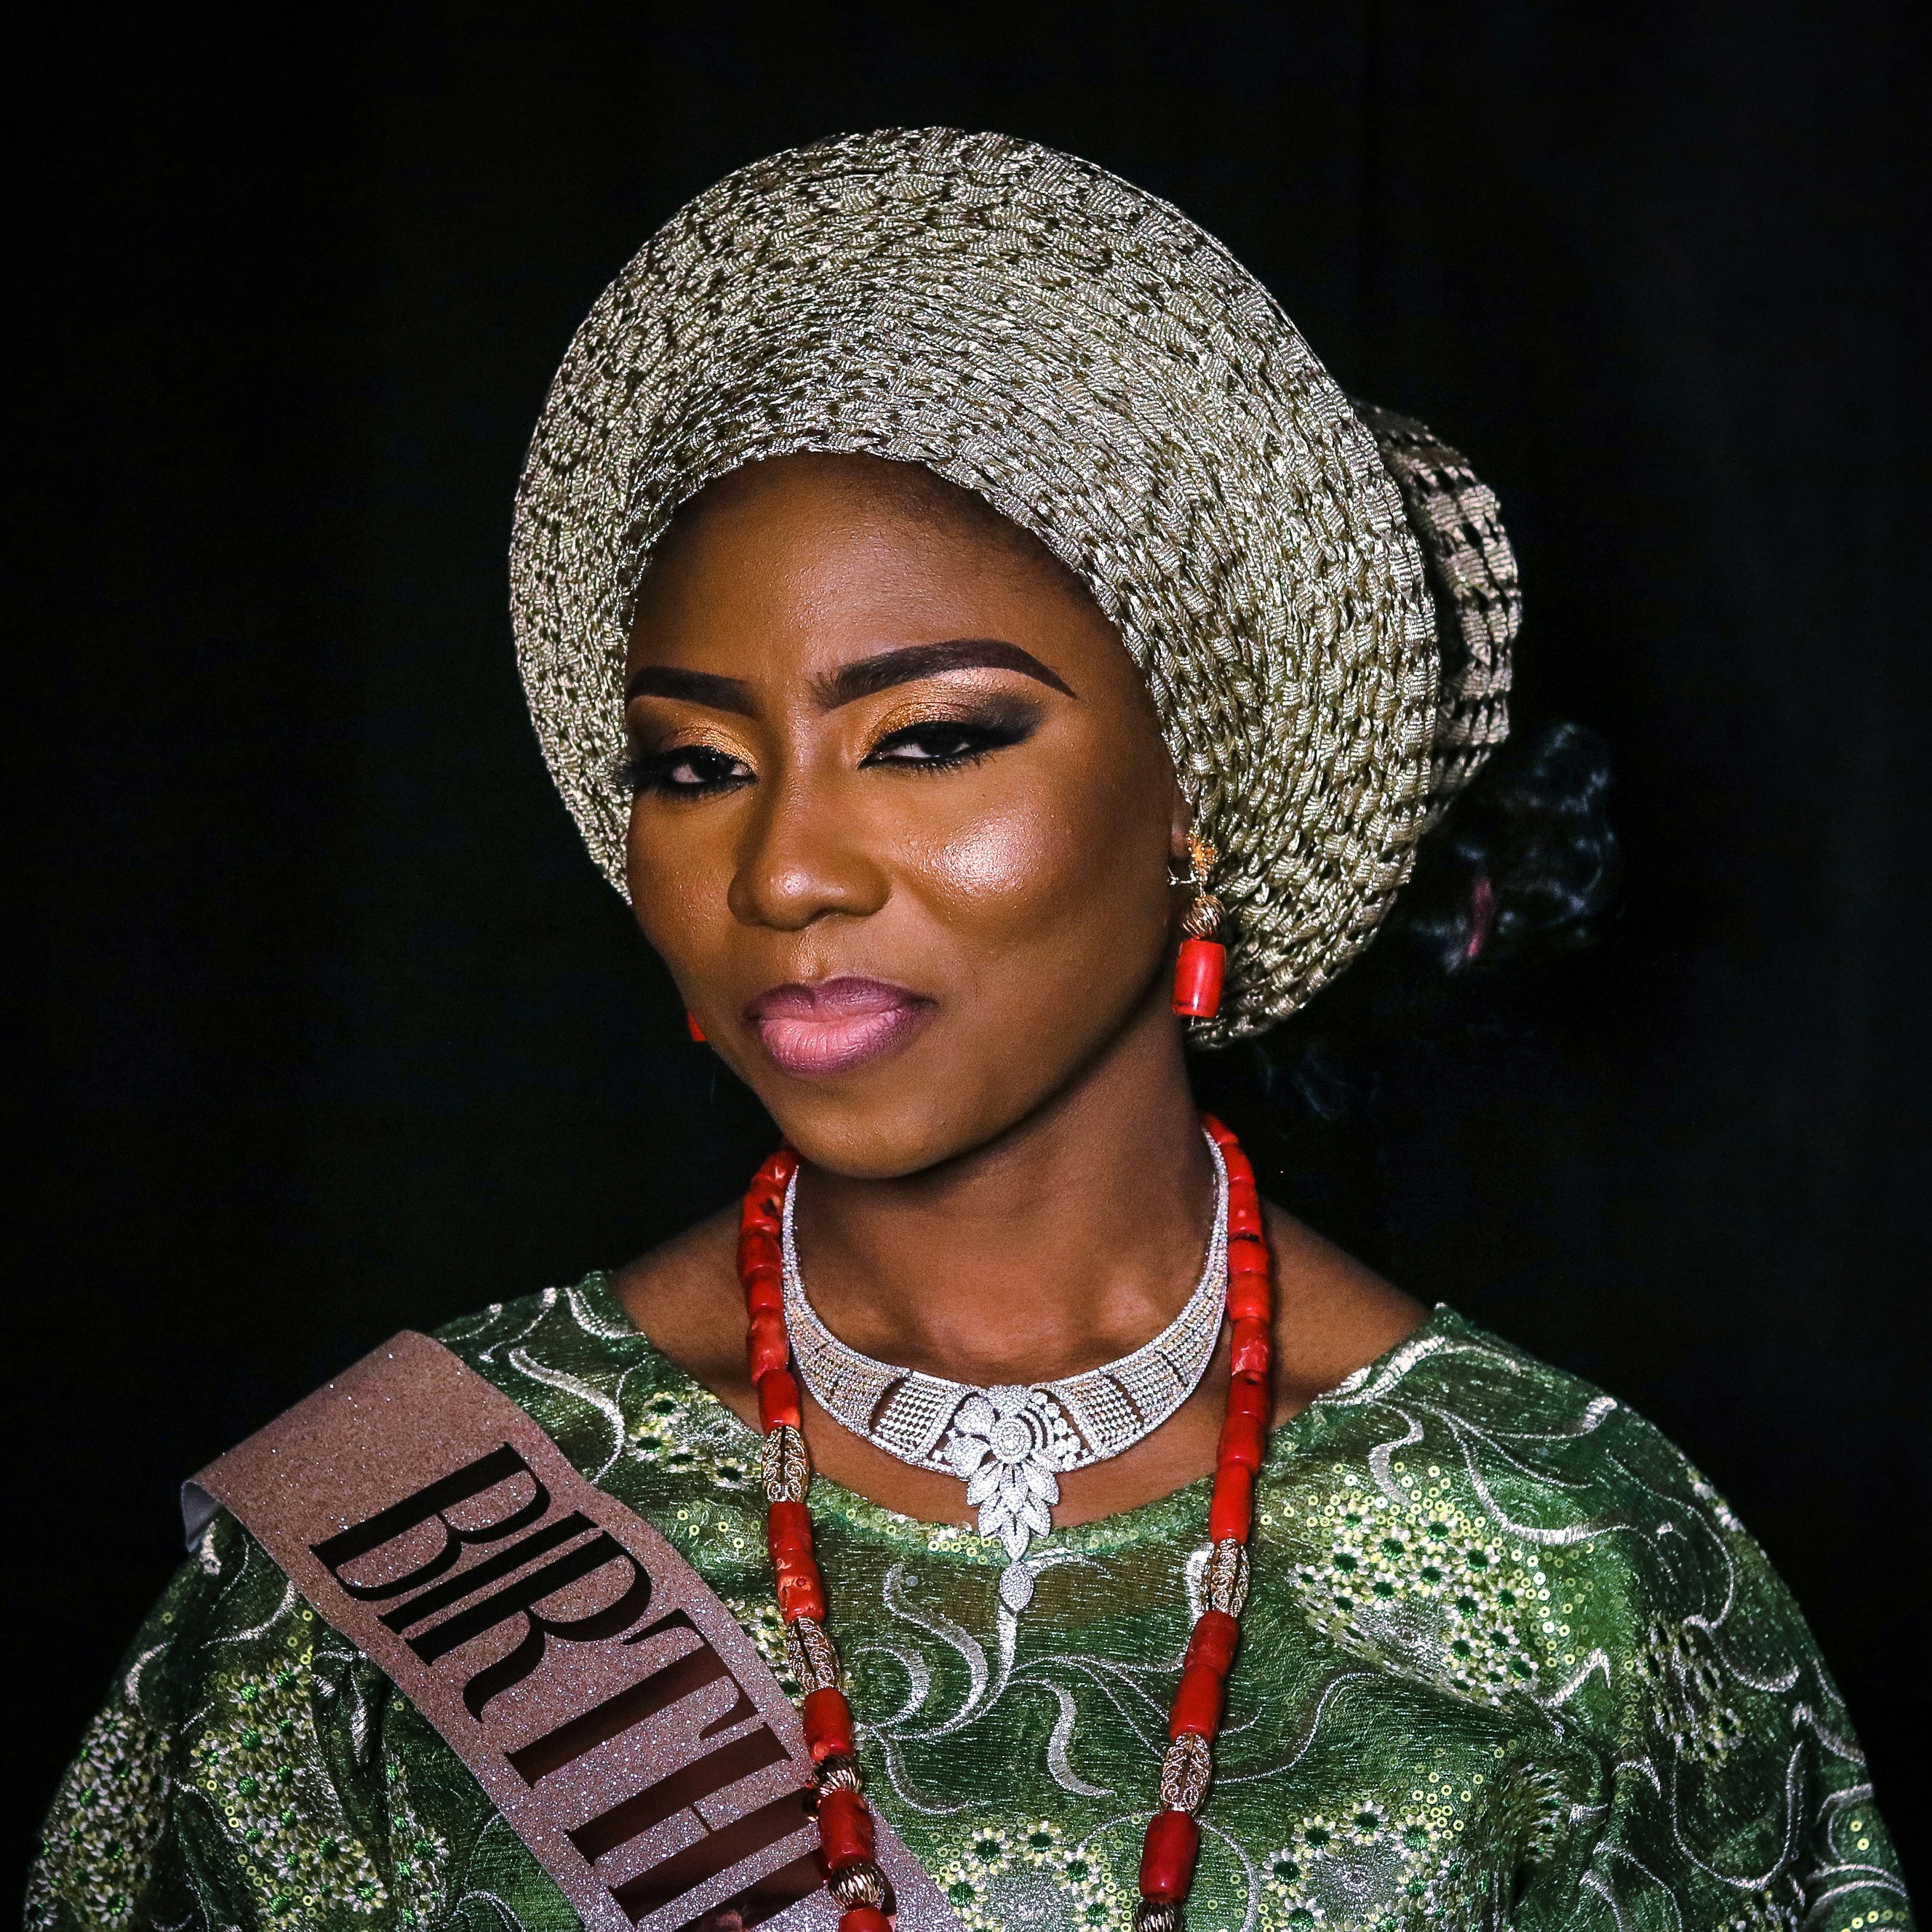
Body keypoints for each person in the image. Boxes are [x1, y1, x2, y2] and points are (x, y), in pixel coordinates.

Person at [28, 128, 1909, 1932]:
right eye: (695, 766)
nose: (784, 871)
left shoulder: (1571, 1561)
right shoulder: (399, 1534)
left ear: (1200, 786)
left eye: (929, 740)